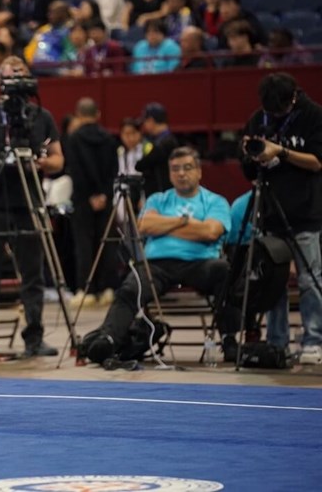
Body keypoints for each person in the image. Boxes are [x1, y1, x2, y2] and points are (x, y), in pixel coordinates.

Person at [86, 147, 239, 364]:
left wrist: (165, 226)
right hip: (157, 266)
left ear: (199, 171)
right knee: (131, 286)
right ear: (169, 173)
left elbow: (211, 231)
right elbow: (145, 225)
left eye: (187, 168)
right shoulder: (158, 199)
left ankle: (229, 340)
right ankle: (108, 340)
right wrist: (185, 222)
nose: (181, 173)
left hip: (201, 264)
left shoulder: (215, 201)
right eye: (175, 169)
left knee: (225, 271)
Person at [0, 55, 64, 357]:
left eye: (20, 73)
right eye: (10, 74)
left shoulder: (41, 116)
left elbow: (59, 159)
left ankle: (34, 338)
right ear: (0, 82)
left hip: (29, 201)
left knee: (32, 274)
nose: (16, 78)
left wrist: (45, 162)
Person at [240, 72, 322, 365]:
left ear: (293, 98)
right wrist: (251, 156)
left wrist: (282, 152)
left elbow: (316, 162)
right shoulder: (258, 118)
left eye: (279, 111)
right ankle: (277, 343)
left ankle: (314, 340)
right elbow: (247, 170)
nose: (273, 115)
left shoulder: (313, 115)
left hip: (305, 211)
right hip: (270, 213)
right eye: (269, 111)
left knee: (309, 280)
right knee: (274, 282)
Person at [63, 98, 118, 308]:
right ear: (98, 114)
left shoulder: (74, 138)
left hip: (83, 198)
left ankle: (86, 290)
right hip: (106, 198)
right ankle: (108, 289)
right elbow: (113, 170)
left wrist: (90, 195)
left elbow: (77, 170)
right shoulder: (109, 138)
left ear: (78, 114)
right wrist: (103, 194)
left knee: (83, 244)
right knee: (106, 242)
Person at [135, 102, 178, 197]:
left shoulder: (163, 144)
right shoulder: (168, 140)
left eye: (145, 122)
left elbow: (141, 165)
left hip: (162, 196)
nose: (145, 126)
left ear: (151, 121)